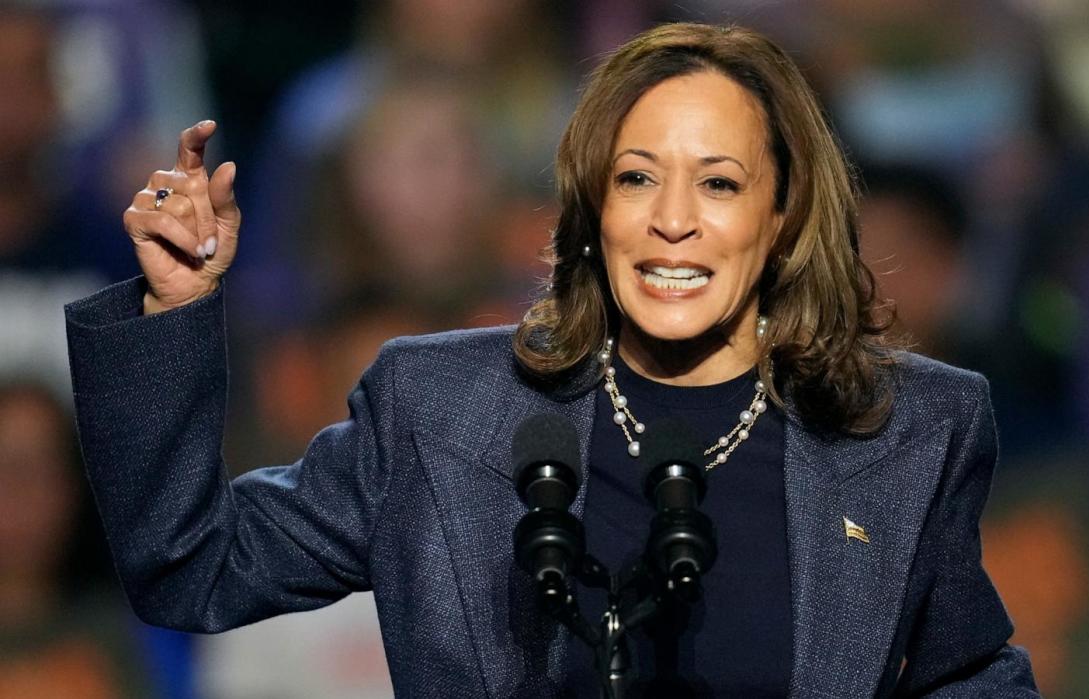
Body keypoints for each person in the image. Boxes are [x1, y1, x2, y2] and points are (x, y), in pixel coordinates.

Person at [64, 22, 1039, 697]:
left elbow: (963, 676)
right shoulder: (441, 413)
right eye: (637, 177)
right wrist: (175, 307)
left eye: (721, 182)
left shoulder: (906, 430)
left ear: (783, 218)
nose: (672, 220)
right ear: (589, 207)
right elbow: (193, 566)